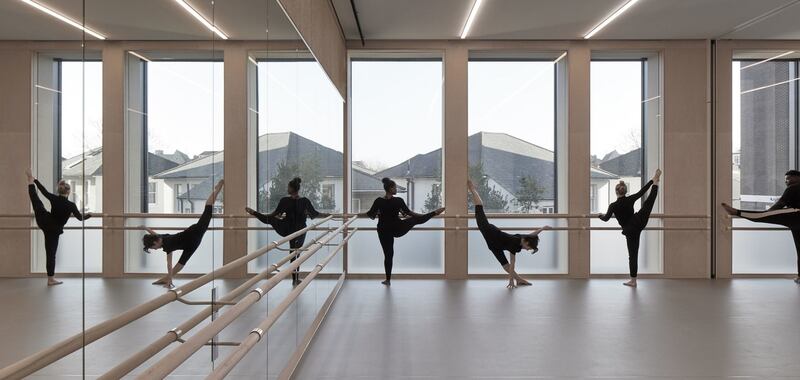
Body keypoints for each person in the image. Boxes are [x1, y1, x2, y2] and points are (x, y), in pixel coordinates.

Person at [358, 178, 445, 286]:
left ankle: (388, 280)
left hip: (386, 229)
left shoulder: (381, 201)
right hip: (393, 229)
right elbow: (410, 214)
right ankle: (434, 213)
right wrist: (423, 216)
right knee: (389, 253)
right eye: (394, 187)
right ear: (390, 189)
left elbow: (370, 214)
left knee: (388, 254)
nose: (396, 189)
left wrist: (356, 215)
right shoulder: (394, 200)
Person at [245, 177, 330, 285]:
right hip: (299, 229)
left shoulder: (286, 201)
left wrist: (262, 215)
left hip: (290, 229)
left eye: (288, 187)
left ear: (292, 188)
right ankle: (295, 279)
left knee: (293, 253)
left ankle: (295, 279)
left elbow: (272, 215)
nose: (287, 189)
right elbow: (315, 213)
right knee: (296, 253)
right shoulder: (304, 201)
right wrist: (327, 214)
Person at [722, 169, 800, 285]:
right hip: (796, 219)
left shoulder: (793, 188)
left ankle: (736, 212)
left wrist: (768, 214)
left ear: (797, 178)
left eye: (789, 178)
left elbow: (779, 205)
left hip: (795, 215)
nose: (787, 181)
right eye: (785, 180)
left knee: (760, 215)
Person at [142, 179, 224, 288]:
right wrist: (145, 228)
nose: (155, 249)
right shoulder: (161, 238)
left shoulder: (167, 245)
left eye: (153, 247)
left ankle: (218, 189)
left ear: (156, 242)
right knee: (181, 263)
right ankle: (167, 279)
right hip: (190, 242)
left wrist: (170, 280)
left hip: (195, 234)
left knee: (208, 209)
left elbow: (169, 264)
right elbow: (153, 234)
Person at [468, 179, 547, 288]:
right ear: (526, 242)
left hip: (494, 246)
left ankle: (519, 280)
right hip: (490, 232)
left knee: (505, 266)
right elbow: (512, 264)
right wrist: (510, 281)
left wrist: (542, 228)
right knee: (479, 208)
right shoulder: (515, 244)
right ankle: (472, 188)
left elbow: (532, 235)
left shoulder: (522, 239)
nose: (528, 250)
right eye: (529, 248)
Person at [26, 169, 91, 286]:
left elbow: (43, 191)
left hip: (44, 221)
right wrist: (89, 215)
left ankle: (30, 181)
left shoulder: (55, 198)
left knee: (37, 202)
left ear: (59, 190)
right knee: (51, 254)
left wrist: (35, 180)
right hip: (53, 230)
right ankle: (50, 279)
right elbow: (80, 218)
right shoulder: (71, 205)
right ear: (69, 192)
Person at [598, 169, 662, 287]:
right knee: (648, 203)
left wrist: (600, 216)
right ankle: (656, 182)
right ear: (625, 191)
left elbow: (606, 218)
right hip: (639, 221)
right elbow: (642, 192)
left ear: (616, 192)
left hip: (630, 230)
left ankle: (633, 280)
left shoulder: (613, 206)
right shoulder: (629, 199)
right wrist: (652, 181)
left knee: (633, 255)